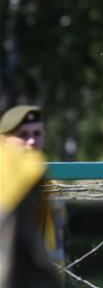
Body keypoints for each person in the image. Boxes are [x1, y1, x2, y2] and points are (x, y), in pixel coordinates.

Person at [0, 105, 67, 276]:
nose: (31, 141)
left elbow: (57, 242)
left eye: (37, 134)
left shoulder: (49, 181)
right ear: (3, 140)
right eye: (23, 135)